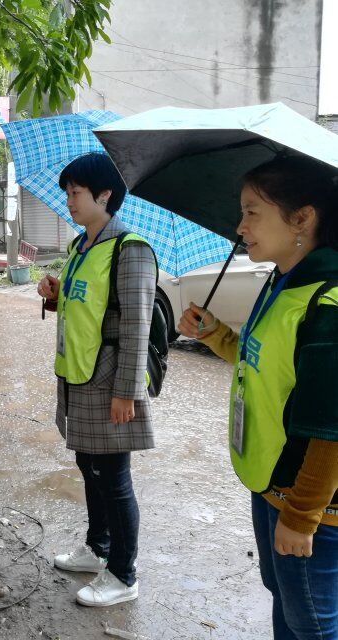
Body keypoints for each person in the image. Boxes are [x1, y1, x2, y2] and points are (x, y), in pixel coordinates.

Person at [178, 156, 338, 639]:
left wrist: (302, 517)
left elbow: (331, 427)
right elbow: (267, 369)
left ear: (303, 219)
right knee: (287, 606)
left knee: (312, 624)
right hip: (271, 485)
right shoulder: (283, 281)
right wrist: (216, 335)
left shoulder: (327, 301)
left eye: (252, 212)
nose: (239, 225)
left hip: (311, 506)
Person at [37, 153, 157, 607]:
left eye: (76, 193)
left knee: (114, 478)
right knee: (89, 467)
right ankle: (96, 548)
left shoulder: (131, 249)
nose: (68, 200)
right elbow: (81, 306)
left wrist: (127, 391)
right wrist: (54, 295)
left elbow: (136, 326)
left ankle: (124, 575)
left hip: (110, 382)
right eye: (67, 192)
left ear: (104, 195)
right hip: (77, 375)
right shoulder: (79, 247)